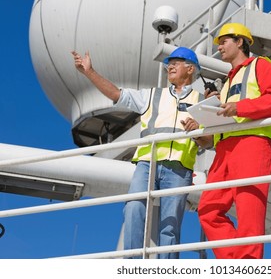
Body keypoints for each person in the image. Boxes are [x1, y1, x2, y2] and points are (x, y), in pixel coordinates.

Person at [72, 47, 204, 259]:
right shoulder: (151, 96)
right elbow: (117, 94)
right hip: (147, 163)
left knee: (170, 224)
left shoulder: (202, 101)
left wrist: (198, 129)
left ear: (190, 69)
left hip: (179, 168)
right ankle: (133, 265)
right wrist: (89, 71)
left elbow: (209, 141)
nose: (169, 66)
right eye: (169, 63)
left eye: (176, 63)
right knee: (133, 209)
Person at [195, 23, 271, 259]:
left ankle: (247, 264)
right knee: (208, 209)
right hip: (224, 149)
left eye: (224, 41)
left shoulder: (260, 64)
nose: (220, 47)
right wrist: (201, 122)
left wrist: (238, 107)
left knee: (248, 209)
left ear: (240, 42)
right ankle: (235, 262)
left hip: (252, 142)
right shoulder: (226, 83)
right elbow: (223, 119)